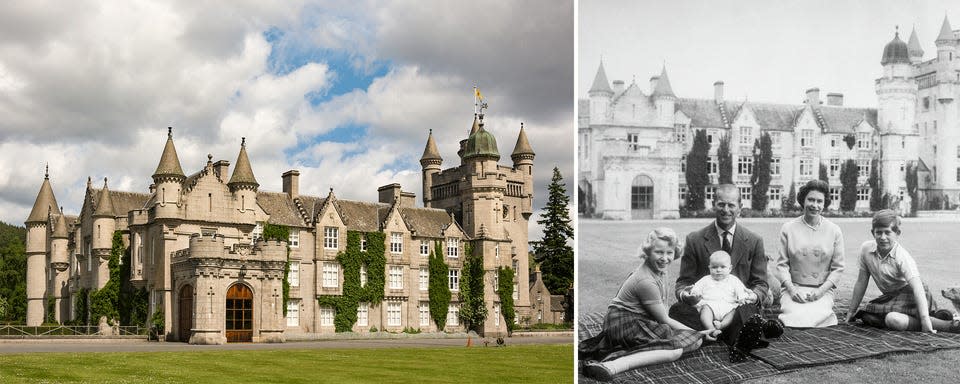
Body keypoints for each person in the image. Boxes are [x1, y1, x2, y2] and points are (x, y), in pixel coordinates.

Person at [579, 228, 717, 381]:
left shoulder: (660, 271)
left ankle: (634, 352)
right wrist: (699, 332)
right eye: (659, 252)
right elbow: (665, 319)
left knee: (692, 341)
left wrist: (695, 334)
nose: (665, 258)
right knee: (677, 349)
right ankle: (612, 365)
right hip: (622, 322)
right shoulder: (645, 281)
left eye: (669, 253)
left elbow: (662, 308)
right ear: (648, 252)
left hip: (639, 320)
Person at [671, 184, 769, 343]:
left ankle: (712, 336)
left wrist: (753, 295)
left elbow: (761, 283)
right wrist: (686, 294)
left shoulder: (754, 240)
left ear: (740, 208)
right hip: (704, 310)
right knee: (677, 310)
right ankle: (727, 335)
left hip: (737, 309)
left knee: (750, 311)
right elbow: (684, 283)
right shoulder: (694, 239)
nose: (726, 209)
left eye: (731, 205)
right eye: (721, 204)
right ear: (713, 205)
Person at [846, 210, 960, 333]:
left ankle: (949, 325)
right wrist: (851, 312)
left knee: (892, 319)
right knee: (866, 316)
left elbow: (918, 288)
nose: (883, 237)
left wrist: (925, 319)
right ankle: (939, 316)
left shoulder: (902, 256)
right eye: (879, 232)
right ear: (872, 233)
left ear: (897, 233)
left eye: (887, 232)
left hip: (913, 296)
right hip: (890, 297)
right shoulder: (866, 249)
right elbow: (861, 282)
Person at [775, 179, 844, 327]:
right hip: (794, 288)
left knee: (818, 317)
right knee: (795, 317)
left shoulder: (834, 230)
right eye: (811, 200)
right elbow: (782, 265)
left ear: (824, 203)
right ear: (803, 201)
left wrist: (821, 291)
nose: (815, 205)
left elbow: (838, 268)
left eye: (819, 201)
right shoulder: (788, 228)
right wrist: (792, 290)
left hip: (822, 290)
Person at [690, 250, 755, 333]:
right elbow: (696, 288)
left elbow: (741, 290)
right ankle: (711, 328)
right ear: (709, 267)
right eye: (714, 267)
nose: (718, 270)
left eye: (723, 267)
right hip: (710, 305)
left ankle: (722, 325)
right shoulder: (705, 279)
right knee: (705, 311)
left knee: (733, 312)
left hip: (728, 306)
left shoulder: (733, 280)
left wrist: (742, 297)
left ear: (730, 268)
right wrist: (695, 293)